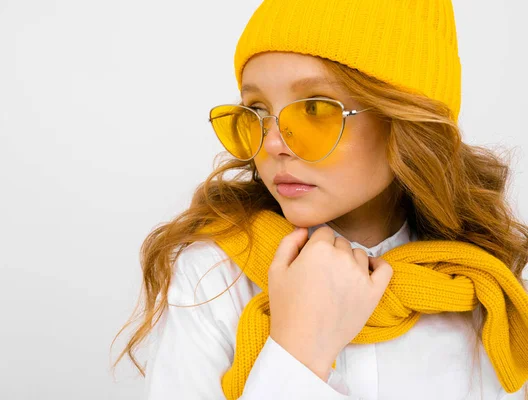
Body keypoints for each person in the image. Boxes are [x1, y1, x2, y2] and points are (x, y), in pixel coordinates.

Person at [112, 0, 528, 399]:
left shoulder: (491, 293)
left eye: (314, 108)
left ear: (406, 121)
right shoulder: (214, 277)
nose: (273, 143)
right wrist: (298, 353)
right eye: (256, 110)